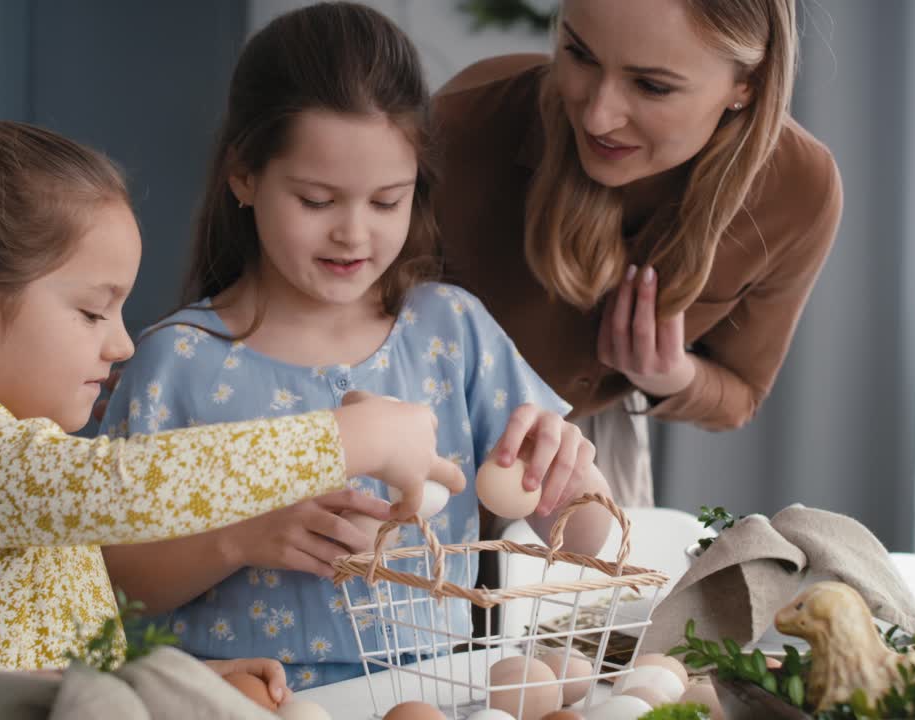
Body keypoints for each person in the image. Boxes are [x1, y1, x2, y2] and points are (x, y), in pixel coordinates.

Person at [0, 113, 463, 716]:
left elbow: (51, 669)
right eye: (93, 311)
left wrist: (175, 679)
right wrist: (349, 440)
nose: (122, 343)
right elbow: (124, 485)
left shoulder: (17, 468)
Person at [98, 2, 612, 690]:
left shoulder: (451, 333)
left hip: (436, 696)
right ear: (245, 175)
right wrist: (243, 537)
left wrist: (575, 483)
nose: (353, 234)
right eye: (316, 201)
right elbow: (112, 582)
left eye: (386, 201)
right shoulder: (176, 363)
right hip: (236, 704)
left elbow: (580, 540)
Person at [432, 0, 843, 506]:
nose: (598, 116)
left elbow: (740, 396)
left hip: (591, 460)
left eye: (651, 85)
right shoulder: (460, 128)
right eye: (580, 55)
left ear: (748, 83)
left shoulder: (799, 191)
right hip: (420, 440)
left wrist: (670, 376)